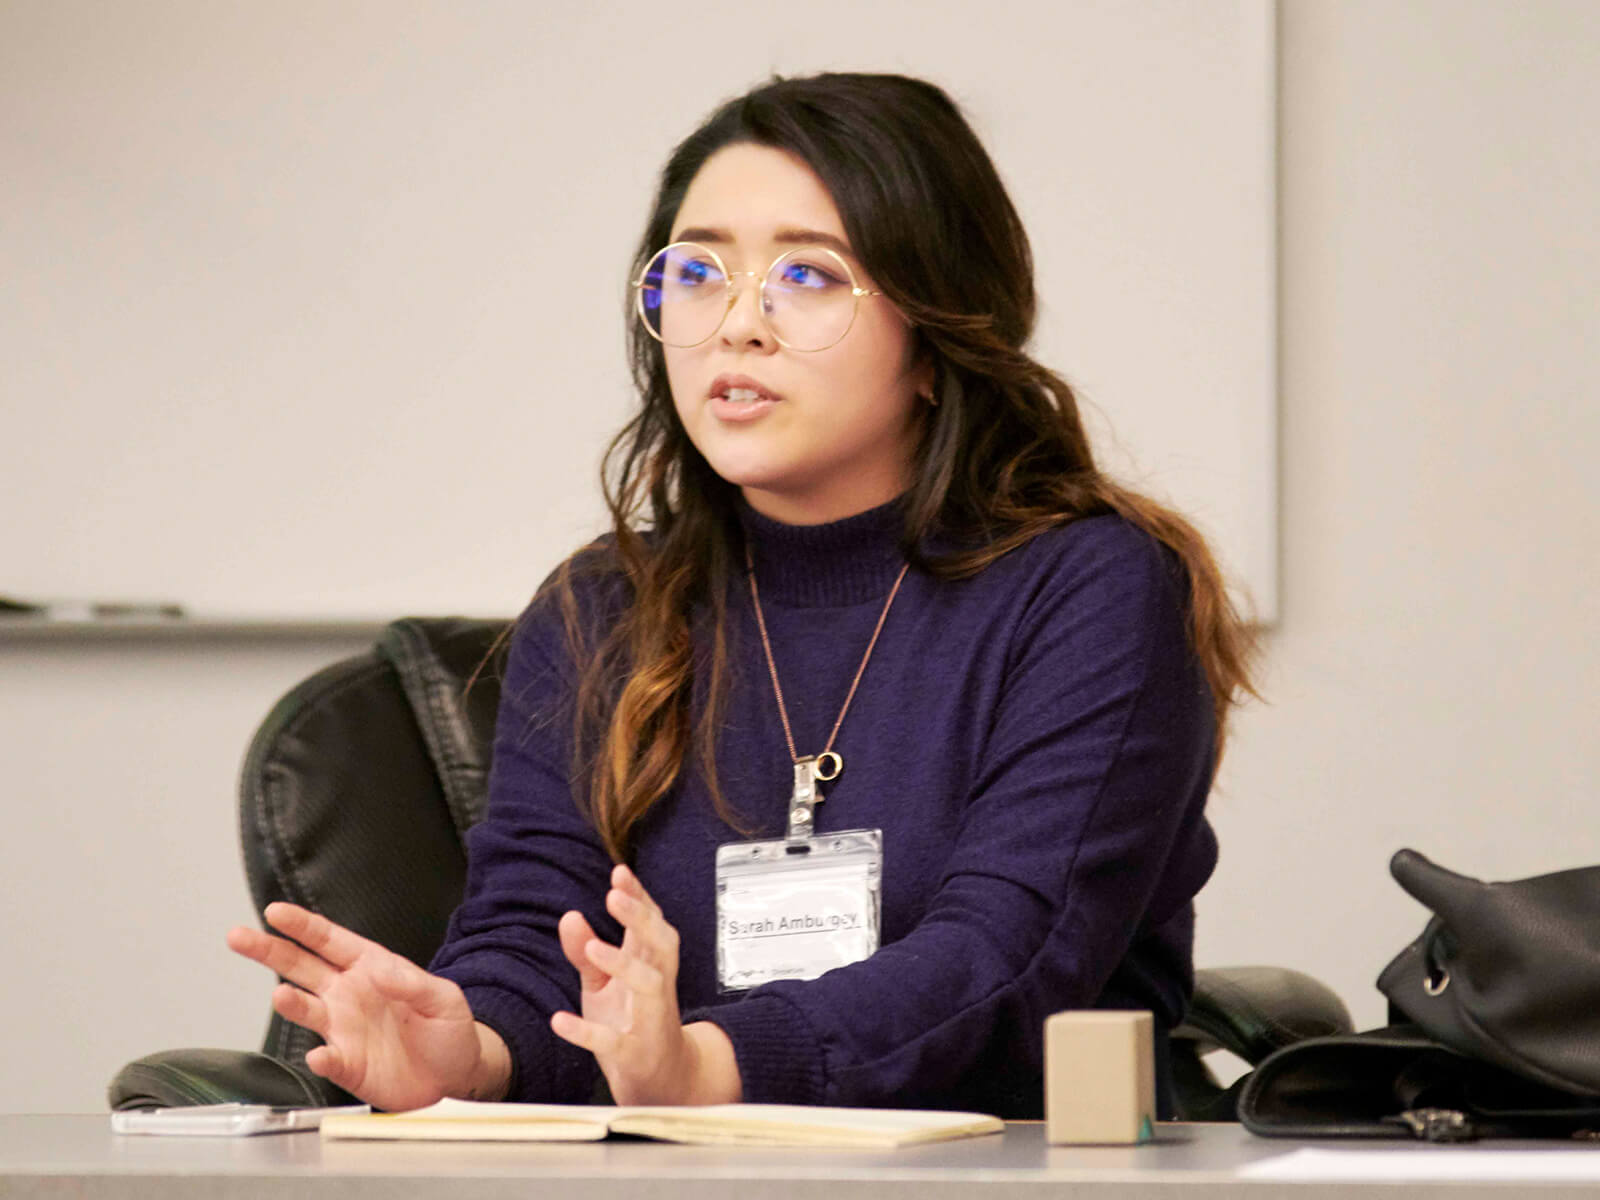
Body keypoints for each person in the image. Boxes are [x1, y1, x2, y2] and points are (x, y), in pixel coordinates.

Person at [227, 71, 1255, 1119]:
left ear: (938, 338)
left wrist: (705, 1067)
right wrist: (476, 1051)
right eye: (698, 271)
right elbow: (544, 931)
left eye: (807, 277)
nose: (738, 324)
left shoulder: (1092, 588)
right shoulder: (602, 605)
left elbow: (1010, 954)